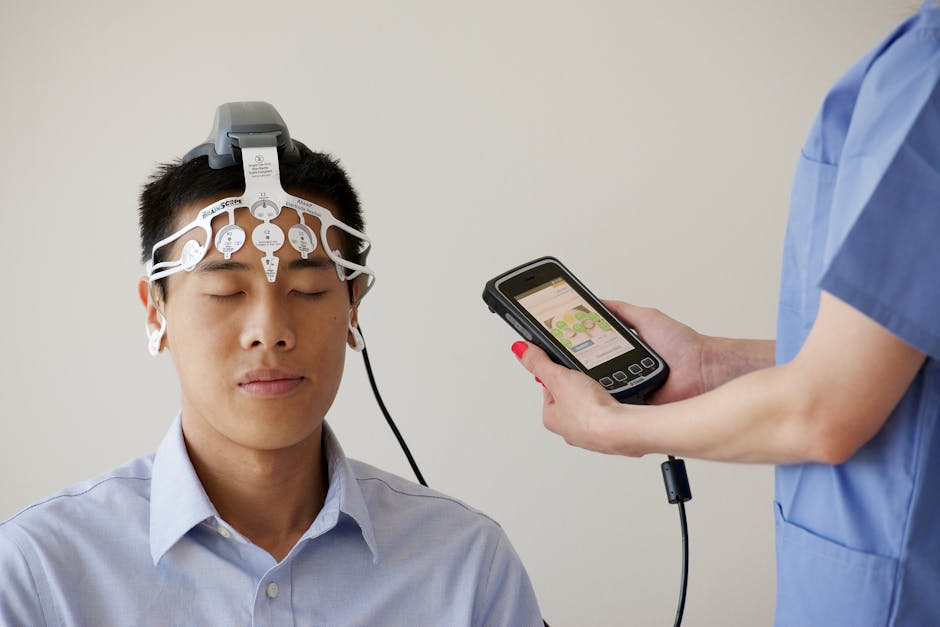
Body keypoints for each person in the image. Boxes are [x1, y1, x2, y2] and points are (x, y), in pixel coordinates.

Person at [0, 102, 543, 626]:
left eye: (308, 289)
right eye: (224, 290)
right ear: (156, 310)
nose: (270, 332)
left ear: (354, 306)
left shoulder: (468, 566)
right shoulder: (38, 572)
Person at [513, 3, 940, 625]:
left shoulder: (927, 73)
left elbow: (827, 410)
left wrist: (616, 429)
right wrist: (711, 366)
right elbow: (897, 350)